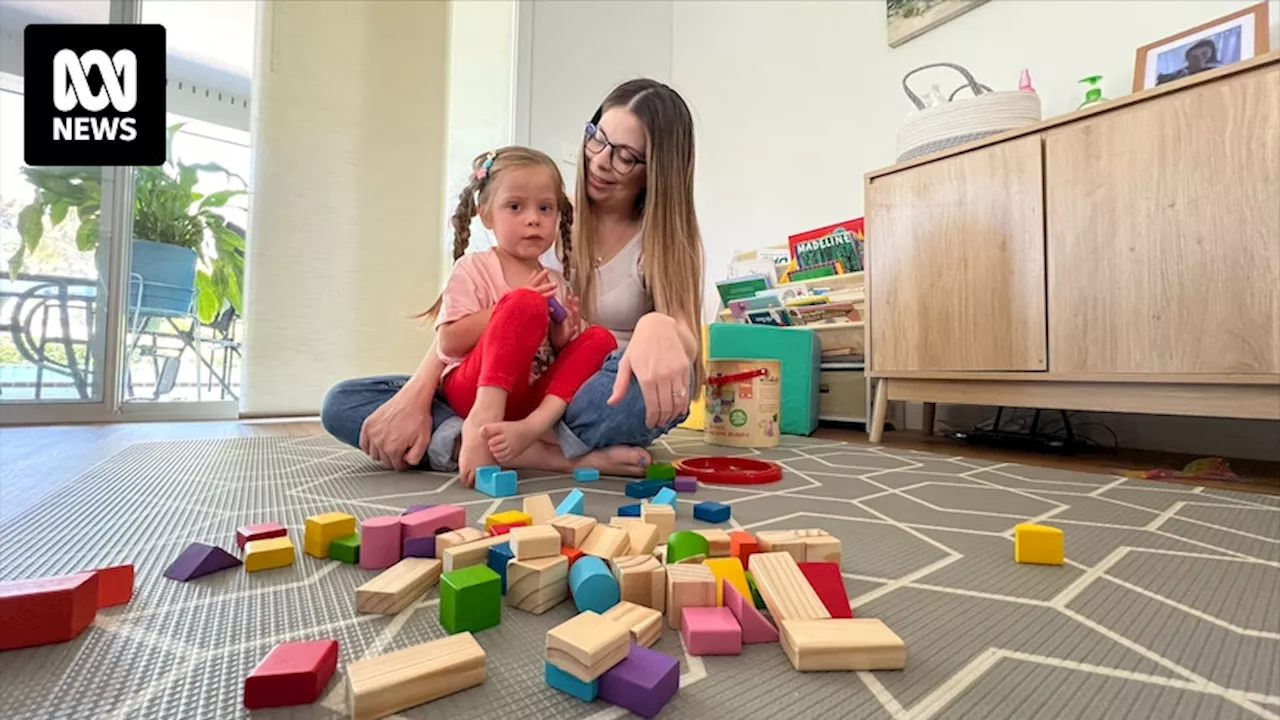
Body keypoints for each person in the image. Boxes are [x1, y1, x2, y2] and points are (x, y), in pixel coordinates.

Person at [323, 78, 704, 478]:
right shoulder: (541, 218)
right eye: (597, 138)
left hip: (588, 394)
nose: (600, 160)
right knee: (345, 402)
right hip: (505, 385)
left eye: (625, 156)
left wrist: (659, 326)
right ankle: (550, 454)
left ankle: (469, 440)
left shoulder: (662, 239)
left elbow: (684, 341)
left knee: (638, 383)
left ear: (657, 170)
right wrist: (416, 395)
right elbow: (459, 336)